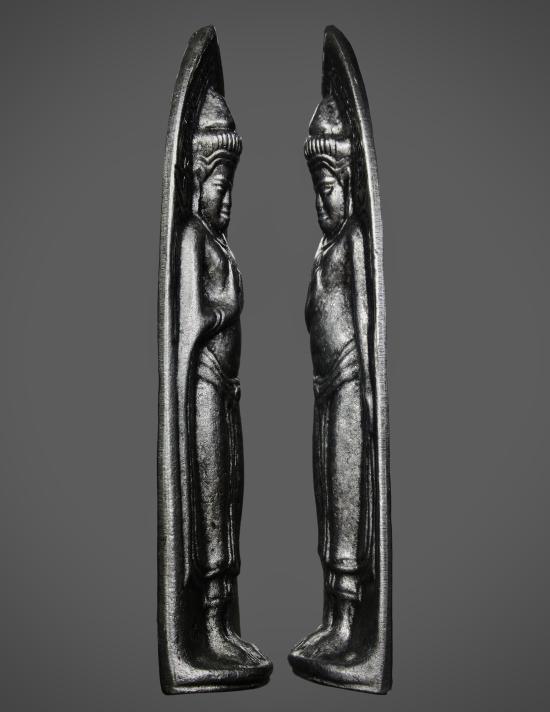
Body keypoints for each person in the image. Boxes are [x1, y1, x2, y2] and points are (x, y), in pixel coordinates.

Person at [176, 88, 271, 677]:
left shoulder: (217, 243)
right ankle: (209, 630)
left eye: (231, 187)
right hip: (206, 393)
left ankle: (224, 628)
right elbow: (190, 323)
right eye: (220, 185)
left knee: (229, 501)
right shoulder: (193, 239)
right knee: (210, 504)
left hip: (226, 396)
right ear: (197, 182)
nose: (227, 198)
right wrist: (227, 307)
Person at [289, 96, 375, 669]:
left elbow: (366, 324)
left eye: (328, 190)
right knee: (328, 502)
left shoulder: (353, 243)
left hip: (346, 391)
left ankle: (348, 624)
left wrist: (367, 400)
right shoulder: (327, 245)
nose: (322, 203)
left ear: (347, 182)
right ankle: (333, 621)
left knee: (347, 508)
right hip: (326, 394)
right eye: (316, 194)